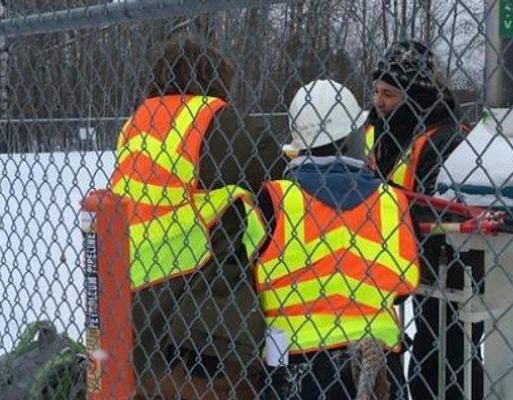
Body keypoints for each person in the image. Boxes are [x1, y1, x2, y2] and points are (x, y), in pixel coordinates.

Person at [109, 35, 286, 399]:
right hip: (199, 312)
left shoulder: (136, 122)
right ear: (216, 79)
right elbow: (278, 175)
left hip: (131, 299)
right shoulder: (219, 121)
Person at [252, 79, 421, 399]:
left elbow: (252, 276)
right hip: (376, 364)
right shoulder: (390, 201)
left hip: (291, 365)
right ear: (353, 137)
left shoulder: (274, 199)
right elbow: (405, 285)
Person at [360, 40, 483, 399]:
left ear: (414, 95)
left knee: (448, 358)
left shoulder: (447, 139)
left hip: (448, 268)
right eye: (376, 91)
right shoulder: (376, 131)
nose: (379, 101)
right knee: (422, 357)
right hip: (396, 263)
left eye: (389, 94)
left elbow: (438, 208)